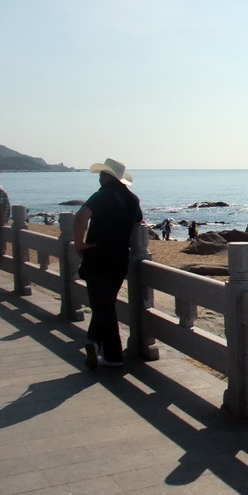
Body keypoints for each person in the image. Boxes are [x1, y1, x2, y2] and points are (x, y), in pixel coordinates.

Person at [74, 158, 142, 369]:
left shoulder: (102, 195)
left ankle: (112, 355)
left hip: (97, 257)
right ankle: (93, 342)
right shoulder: (132, 198)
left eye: (101, 175)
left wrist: (79, 243)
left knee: (102, 305)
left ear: (106, 176)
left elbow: (80, 217)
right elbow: (138, 221)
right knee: (105, 303)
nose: (99, 179)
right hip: (120, 258)